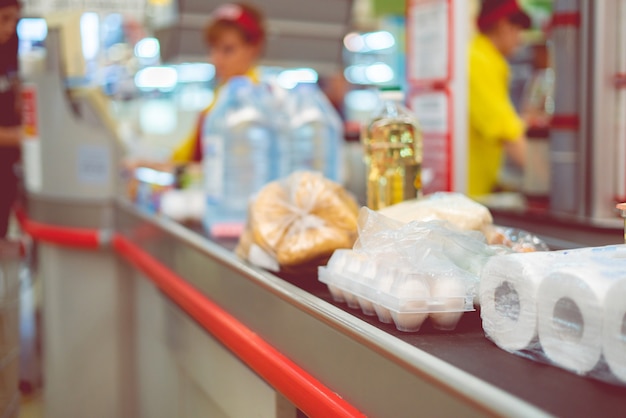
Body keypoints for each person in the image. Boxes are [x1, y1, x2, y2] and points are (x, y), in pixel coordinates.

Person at [170, 2, 266, 164]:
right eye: (212, 49)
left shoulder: (258, 102)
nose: (216, 59)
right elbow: (185, 157)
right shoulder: (222, 94)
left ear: (253, 48)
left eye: (228, 49)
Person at [467, 0, 531, 197]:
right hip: (469, 193)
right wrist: (547, 179)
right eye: (518, 30)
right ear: (503, 25)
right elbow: (506, 132)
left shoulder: (485, 57)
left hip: (476, 190)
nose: (520, 39)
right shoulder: (479, 60)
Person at [0, 0, 22, 238]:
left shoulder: (9, 46)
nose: (9, 27)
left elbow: (15, 86)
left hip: (6, 166)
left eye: (14, 21)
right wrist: (20, 137)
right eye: (4, 19)